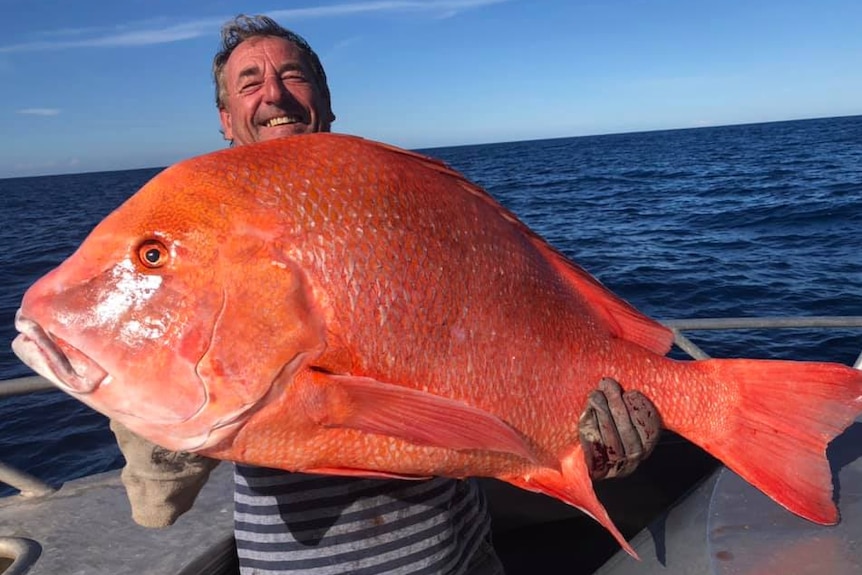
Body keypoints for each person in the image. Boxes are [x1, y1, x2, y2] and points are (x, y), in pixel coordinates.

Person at [110, 14, 662, 575]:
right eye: (250, 82)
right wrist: (145, 372)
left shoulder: (405, 203)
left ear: (325, 103)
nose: (274, 93)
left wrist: (589, 444)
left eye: (293, 76)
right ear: (227, 119)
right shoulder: (202, 239)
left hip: (468, 552)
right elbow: (158, 496)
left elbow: (491, 365)